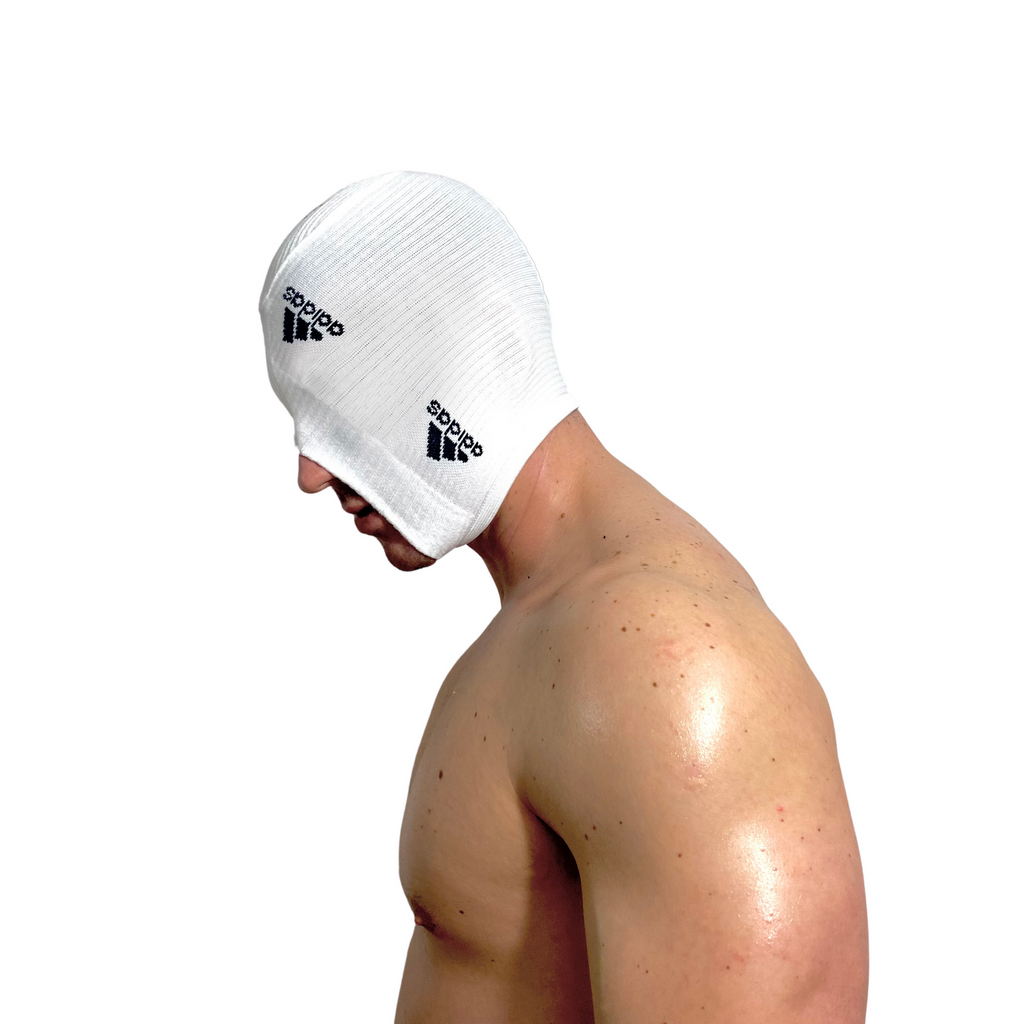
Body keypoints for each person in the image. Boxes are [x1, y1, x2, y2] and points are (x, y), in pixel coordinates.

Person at [260, 171, 869, 1023]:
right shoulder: (550, 634)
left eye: (343, 408)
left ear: (452, 365)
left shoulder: (664, 657)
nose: (310, 473)